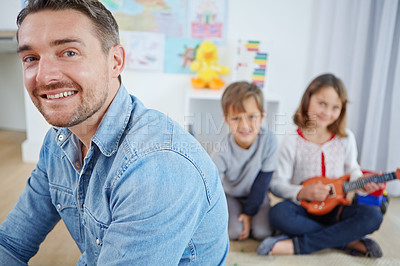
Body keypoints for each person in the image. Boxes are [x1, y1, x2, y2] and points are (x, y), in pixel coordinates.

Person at [0, 0, 229, 265]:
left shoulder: (157, 166)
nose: (44, 76)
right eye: (31, 58)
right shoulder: (59, 141)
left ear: (115, 61)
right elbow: (11, 243)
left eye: (69, 52)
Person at [257, 73, 384, 257]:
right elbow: (277, 184)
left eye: (335, 107)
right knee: (278, 214)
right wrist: (301, 192)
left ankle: (296, 245)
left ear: (342, 110)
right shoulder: (291, 140)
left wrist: (362, 181)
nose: (326, 112)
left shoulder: (346, 139)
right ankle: (345, 241)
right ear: (308, 99)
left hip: (336, 210)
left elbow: (353, 171)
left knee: (373, 216)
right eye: (322, 103)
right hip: (303, 210)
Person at [212, 81, 278, 241]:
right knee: (233, 232)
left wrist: (248, 214)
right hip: (231, 196)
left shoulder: (269, 140)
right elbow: (214, 186)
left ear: (262, 116)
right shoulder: (221, 148)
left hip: (258, 194)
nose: (244, 125)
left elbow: (263, 181)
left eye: (251, 117)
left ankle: (251, 216)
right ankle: (238, 217)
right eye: (236, 118)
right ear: (226, 119)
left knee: (263, 232)